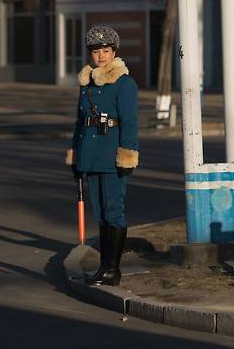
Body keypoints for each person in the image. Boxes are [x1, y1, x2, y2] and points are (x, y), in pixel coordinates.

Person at [65, 25, 139, 286]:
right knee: (100, 214)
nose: (101, 56)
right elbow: (79, 122)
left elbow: (129, 121)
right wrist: (75, 156)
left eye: (106, 51)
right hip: (89, 155)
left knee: (114, 212)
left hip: (111, 156)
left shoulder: (124, 83)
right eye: (96, 52)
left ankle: (112, 269)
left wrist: (128, 154)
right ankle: (104, 266)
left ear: (114, 52)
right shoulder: (86, 84)